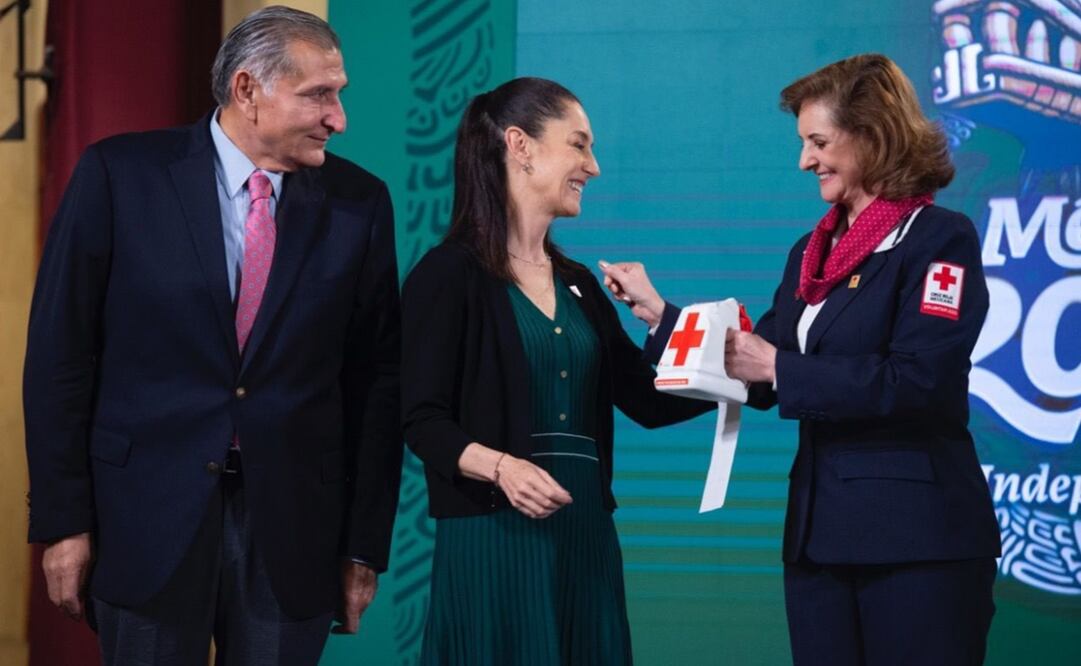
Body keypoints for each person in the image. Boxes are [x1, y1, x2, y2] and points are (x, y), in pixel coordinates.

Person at [23, 6, 402, 664]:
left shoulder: (358, 202)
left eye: (337, 95)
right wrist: (63, 523)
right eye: (319, 94)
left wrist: (362, 546)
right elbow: (60, 360)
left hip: (292, 534)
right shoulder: (120, 176)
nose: (337, 118)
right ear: (248, 89)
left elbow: (375, 384)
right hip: (142, 520)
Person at [601, 54, 1000, 665]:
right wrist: (661, 316)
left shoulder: (938, 238)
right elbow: (754, 371)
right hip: (819, 541)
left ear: (873, 136)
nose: (804, 161)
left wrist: (780, 369)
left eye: (818, 142)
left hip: (917, 541)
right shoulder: (810, 253)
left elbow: (918, 379)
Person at [400, 77, 713, 665]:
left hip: (585, 530)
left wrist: (743, 368)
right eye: (579, 145)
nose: (592, 166)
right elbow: (421, 420)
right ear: (520, 146)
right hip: (493, 531)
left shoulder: (581, 285)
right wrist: (502, 469)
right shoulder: (447, 275)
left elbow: (649, 399)